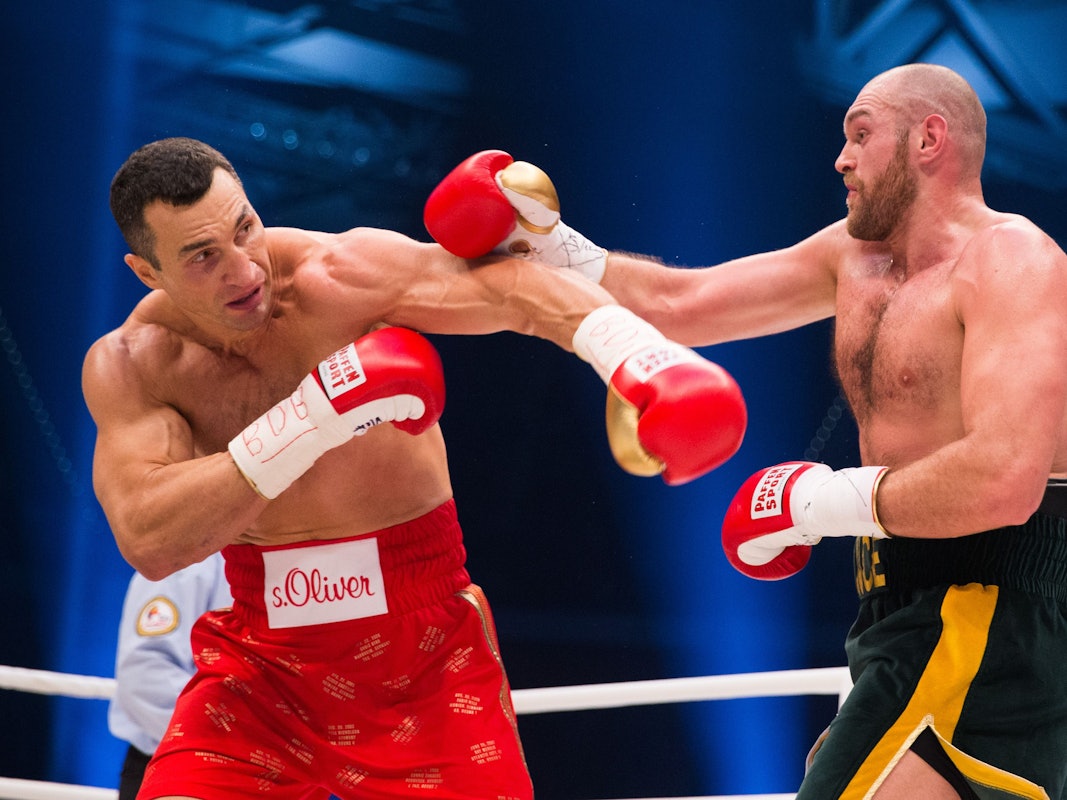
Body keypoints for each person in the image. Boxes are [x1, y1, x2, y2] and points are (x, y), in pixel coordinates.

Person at [428, 64, 1067, 799]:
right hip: (898, 604)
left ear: (929, 139)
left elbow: (1003, 480)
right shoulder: (851, 256)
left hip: (984, 599)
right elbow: (682, 302)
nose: (841, 159)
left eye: (860, 135)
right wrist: (555, 248)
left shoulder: (1012, 261)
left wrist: (814, 503)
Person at [82, 137, 747, 800]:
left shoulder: (337, 273)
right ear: (147, 272)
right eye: (203, 257)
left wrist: (636, 355)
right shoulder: (136, 364)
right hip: (261, 667)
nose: (243, 269)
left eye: (244, 228)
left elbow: (514, 290)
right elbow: (151, 539)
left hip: (426, 652)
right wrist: (311, 419)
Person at [108, 553, 232, 800]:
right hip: (181, 770)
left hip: (260, 770)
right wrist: (234, 741)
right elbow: (145, 677)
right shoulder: (189, 557)